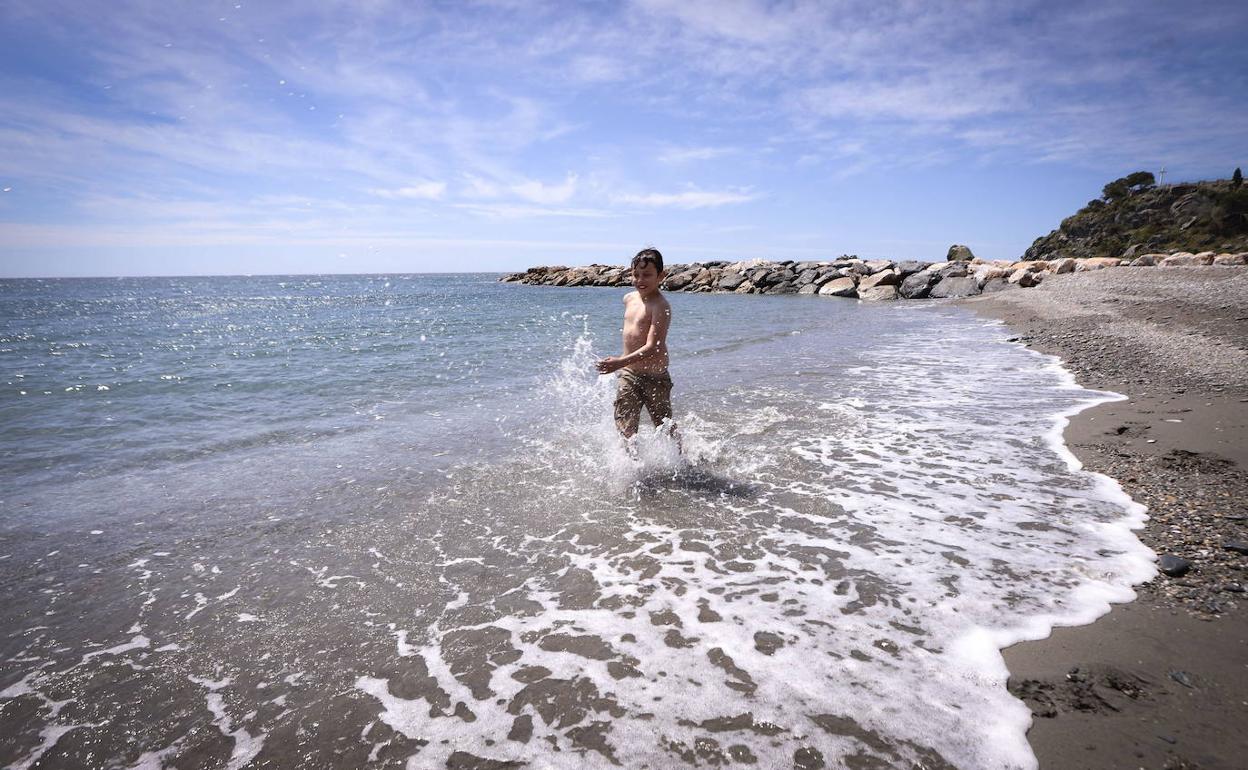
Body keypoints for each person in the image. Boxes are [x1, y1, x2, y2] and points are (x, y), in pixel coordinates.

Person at [595, 248, 680, 449]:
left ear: (661, 276)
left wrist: (618, 362)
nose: (640, 280)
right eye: (636, 274)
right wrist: (622, 366)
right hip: (629, 374)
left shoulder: (661, 306)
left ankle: (682, 462)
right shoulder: (629, 298)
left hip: (655, 376)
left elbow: (652, 346)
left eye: (647, 275)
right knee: (625, 426)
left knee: (663, 426)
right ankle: (631, 470)